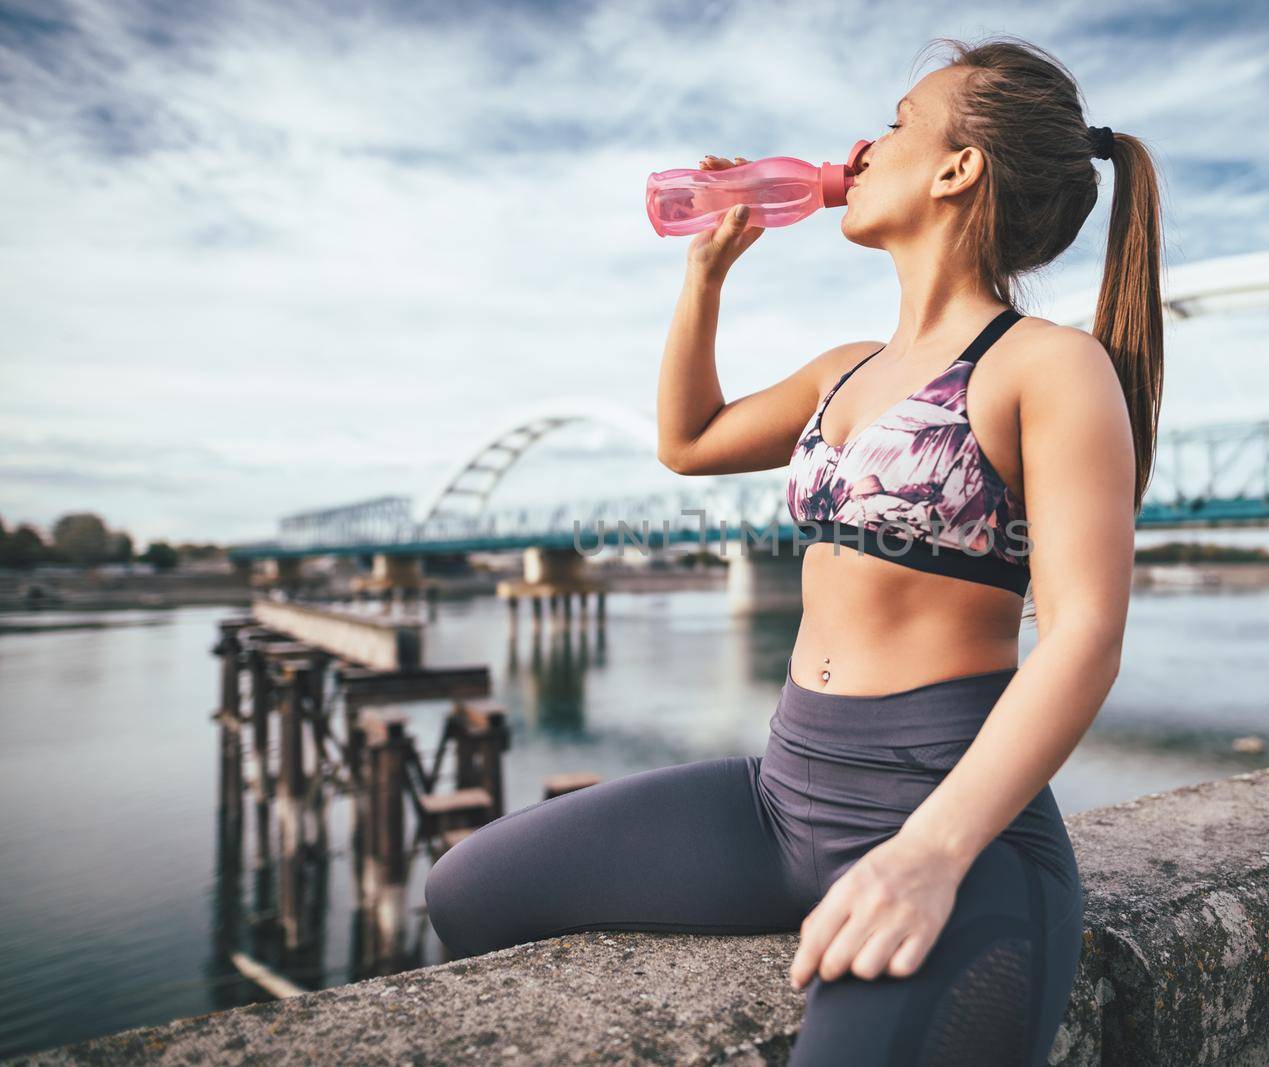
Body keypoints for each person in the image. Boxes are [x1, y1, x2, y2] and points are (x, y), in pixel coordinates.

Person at [425, 32, 1165, 1065]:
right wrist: (705, 277)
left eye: (900, 122)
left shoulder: (1047, 365)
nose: (860, 146)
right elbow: (687, 442)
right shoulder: (845, 367)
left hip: (947, 815)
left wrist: (928, 853)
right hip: (780, 798)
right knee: (468, 888)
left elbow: (1084, 635)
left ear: (958, 169)